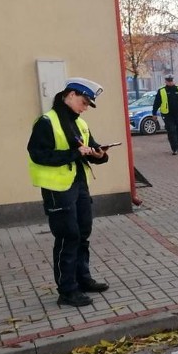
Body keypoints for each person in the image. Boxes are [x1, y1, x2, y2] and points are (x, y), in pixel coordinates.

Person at [27, 78, 113, 307]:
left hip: (79, 185)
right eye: (84, 102)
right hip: (58, 189)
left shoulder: (80, 123)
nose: (85, 108)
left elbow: (92, 146)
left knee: (83, 232)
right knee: (68, 237)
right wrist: (74, 154)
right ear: (71, 95)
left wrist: (99, 154)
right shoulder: (47, 121)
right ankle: (67, 290)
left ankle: (83, 279)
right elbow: (38, 155)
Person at [152, 74, 178, 154]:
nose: (170, 82)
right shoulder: (162, 91)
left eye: (171, 81)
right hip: (167, 114)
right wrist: (154, 113)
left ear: (173, 80)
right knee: (171, 131)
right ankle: (174, 148)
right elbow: (156, 103)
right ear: (165, 81)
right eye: (168, 81)